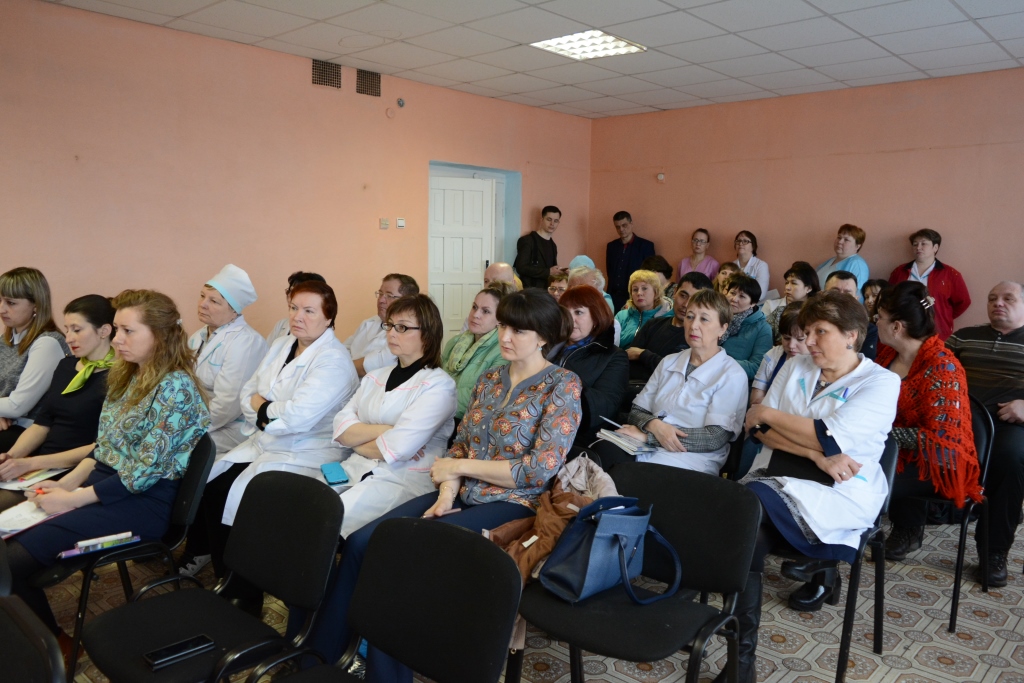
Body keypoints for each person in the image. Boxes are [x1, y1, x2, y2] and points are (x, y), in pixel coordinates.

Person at [294, 289, 581, 681]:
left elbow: (537, 469)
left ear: (543, 336)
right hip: (461, 490)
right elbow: (460, 443)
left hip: (514, 501)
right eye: (503, 326)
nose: (505, 337)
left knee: (409, 554)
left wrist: (458, 467)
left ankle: (386, 676)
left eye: (518, 330)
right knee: (363, 543)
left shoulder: (562, 385)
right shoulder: (491, 379)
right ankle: (318, 656)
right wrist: (447, 491)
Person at [6, 289, 210, 646]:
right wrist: (67, 486)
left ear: (160, 335)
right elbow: (105, 448)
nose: (117, 339)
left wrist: (72, 499)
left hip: (141, 505)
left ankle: (49, 646)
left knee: (10, 562)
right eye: (117, 329)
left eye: (128, 331)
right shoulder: (128, 374)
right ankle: (32, 638)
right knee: (8, 549)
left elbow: (141, 475)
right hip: (103, 491)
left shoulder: (175, 387)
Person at [729, 290, 898, 681]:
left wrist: (769, 413)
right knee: (746, 533)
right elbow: (757, 430)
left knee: (744, 511)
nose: (807, 341)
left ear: (852, 335)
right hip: (778, 474)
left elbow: (829, 435)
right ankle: (741, 663)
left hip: (839, 490)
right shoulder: (797, 366)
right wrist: (814, 454)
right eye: (806, 332)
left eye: (820, 332)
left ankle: (740, 663)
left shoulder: (881, 382)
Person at [194, 280, 359, 597]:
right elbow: (247, 393)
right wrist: (266, 410)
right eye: (294, 308)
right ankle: (227, 578)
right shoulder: (283, 344)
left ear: (329, 317)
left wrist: (262, 406)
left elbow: (297, 418)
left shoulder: (334, 360)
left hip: (305, 452)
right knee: (212, 486)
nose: (298, 316)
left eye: (309, 311)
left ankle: (245, 592)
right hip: (267, 442)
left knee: (241, 499)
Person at [333, 295, 457, 538]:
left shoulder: (439, 386)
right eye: (389, 325)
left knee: (331, 520)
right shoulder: (374, 377)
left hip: (401, 478)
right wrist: (387, 430)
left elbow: (398, 449)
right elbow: (341, 429)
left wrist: (357, 440)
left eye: (402, 327)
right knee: (308, 503)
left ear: (427, 334)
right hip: (356, 466)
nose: (391, 333)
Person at [874, 282, 982, 561]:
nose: (876, 323)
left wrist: (879, 433)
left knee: (860, 478)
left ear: (896, 327)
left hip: (937, 461)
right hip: (892, 449)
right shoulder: (887, 355)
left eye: (879, 318)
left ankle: (843, 546)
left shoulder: (943, 367)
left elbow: (939, 439)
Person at [595, 289, 747, 474]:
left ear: (723, 328)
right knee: (602, 452)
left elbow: (714, 438)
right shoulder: (669, 361)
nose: (694, 325)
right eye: (690, 317)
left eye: (704, 319)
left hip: (693, 457)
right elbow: (637, 411)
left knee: (634, 475)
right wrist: (655, 425)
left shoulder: (732, 374)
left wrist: (651, 437)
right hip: (646, 443)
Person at [0, 296, 115, 511]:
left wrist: (31, 463)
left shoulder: (119, 377)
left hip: (76, 469)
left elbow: (100, 447)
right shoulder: (66, 366)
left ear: (104, 331)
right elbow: (42, 424)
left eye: (77, 330)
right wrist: (11, 458)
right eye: (67, 329)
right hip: (42, 463)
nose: (68, 338)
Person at [946, 281, 1024, 587]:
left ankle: (993, 552)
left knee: (1012, 459)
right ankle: (907, 528)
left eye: (1008, 298)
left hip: (1010, 425)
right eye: (992, 298)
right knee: (916, 439)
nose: (998, 303)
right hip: (959, 422)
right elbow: (935, 370)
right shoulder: (964, 336)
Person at [188, 265, 267, 455]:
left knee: (176, 447)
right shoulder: (198, 336)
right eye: (202, 296)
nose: (203, 304)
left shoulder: (246, 342)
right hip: (197, 418)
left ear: (234, 311)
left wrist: (188, 428)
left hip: (232, 426)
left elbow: (228, 405)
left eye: (214, 301)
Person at [1, 268, 71, 453]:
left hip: (30, 432)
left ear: (36, 305)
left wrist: (5, 411)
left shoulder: (47, 343)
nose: (2, 309)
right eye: (0, 301)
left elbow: (17, 406)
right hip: (9, 425)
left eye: (11, 303)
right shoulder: (5, 340)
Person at [550, 285, 627, 446]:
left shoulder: (613, 356)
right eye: (565, 312)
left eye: (578, 312)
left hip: (575, 435)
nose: (570, 319)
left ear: (596, 317)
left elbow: (603, 407)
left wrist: (556, 384)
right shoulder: (547, 346)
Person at [441, 283, 515, 427]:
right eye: (474, 307)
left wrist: (433, 398)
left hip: (468, 423)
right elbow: (435, 377)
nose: (476, 315)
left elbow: (480, 396)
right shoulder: (455, 342)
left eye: (485, 311)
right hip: (438, 413)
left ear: (499, 319)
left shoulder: (502, 351)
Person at [625, 272, 713, 383]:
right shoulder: (653, 324)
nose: (686, 304)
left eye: (694, 299)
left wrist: (643, 354)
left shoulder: (699, 338)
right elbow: (630, 357)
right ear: (675, 292)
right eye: (683, 296)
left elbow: (679, 374)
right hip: (631, 385)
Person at [888, 229, 971, 340]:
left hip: (937, 333)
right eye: (915, 244)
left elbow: (963, 302)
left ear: (935, 248)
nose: (918, 247)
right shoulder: (900, 272)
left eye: (924, 244)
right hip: (903, 332)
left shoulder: (950, 274)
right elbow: (889, 298)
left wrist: (943, 315)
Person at [344, 273, 419, 378]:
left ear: (407, 301)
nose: (381, 300)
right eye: (380, 294)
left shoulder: (405, 334)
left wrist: (337, 367)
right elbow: (344, 349)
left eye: (389, 296)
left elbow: (365, 367)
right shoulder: (368, 322)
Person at [750, 303, 809, 406]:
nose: (791, 345)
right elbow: (755, 401)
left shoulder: (818, 364)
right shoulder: (772, 356)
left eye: (800, 339)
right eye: (786, 338)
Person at [722, 275, 773, 381]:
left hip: (734, 380)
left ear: (753, 303)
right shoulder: (717, 316)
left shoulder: (763, 328)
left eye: (742, 296)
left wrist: (720, 362)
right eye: (732, 293)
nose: (734, 299)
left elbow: (758, 368)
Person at [605, 211, 655, 311]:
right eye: (617, 227)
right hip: (613, 296)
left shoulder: (645, 246)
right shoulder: (611, 246)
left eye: (624, 225)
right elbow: (609, 271)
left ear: (631, 224)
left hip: (634, 297)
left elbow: (650, 275)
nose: (621, 229)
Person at [825, 271, 879, 360]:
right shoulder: (808, 322)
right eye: (835, 292)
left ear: (856, 299)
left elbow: (865, 362)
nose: (840, 298)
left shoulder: (868, 330)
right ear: (822, 294)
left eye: (847, 294)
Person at [614, 270, 672, 348]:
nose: (639, 293)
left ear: (656, 292)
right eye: (635, 289)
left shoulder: (667, 318)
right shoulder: (621, 316)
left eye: (644, 288)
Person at [266, 271, 327, 344]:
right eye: (291, 291)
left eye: (299, 292)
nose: (292, 297)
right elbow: (268, 350)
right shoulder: (281, 325)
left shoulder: (320, 334)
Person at [764, 262, 820, 340]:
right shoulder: (771, 306)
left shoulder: (818, 311)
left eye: (794, 283)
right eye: (786, 283)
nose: (787, 287)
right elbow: (763, 337)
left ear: (808, 288)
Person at [514, 206, 562, 290]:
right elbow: (521, 267)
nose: (552, 224)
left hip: (547, 291)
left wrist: (560, 272)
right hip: (530, 291)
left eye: (556, 221)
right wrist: (548, 272)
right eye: (549, 219)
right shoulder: (528, 240)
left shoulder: (553, 245)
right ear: (542, 219)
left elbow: (551, 271)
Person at [816, 224, 869, 299]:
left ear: (857, 246)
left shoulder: (858, 265)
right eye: (839, 237)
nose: (840, 241)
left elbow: (858, 296)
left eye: (846, 240)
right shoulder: (830, 261)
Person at [732, 231, 769, 301]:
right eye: (738, 241)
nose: (740, 243)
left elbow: (760, 294)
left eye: (745, 241)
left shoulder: (761, 265)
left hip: (752, 304)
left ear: (753, 246)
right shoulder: (731, 265)